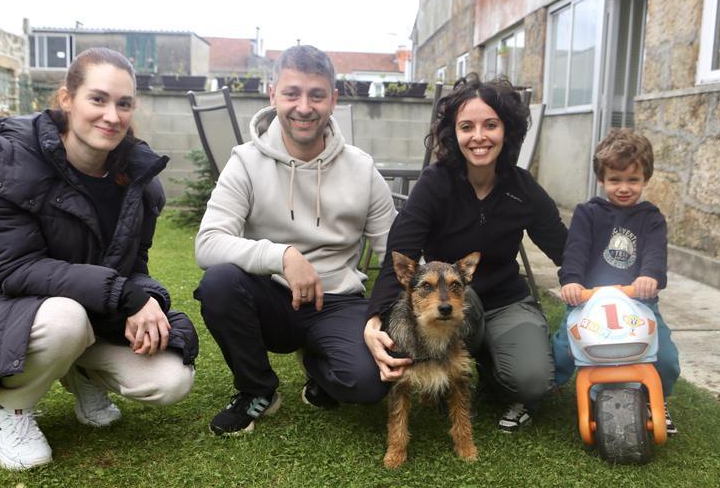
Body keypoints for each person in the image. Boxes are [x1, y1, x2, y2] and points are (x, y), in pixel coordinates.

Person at [0, 48, 198, 471]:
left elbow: (133, 266)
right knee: (66, 318)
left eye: (124, 104)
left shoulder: (139, 182)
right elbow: (16, 270)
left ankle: (79, 373)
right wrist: (124, 295)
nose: (112, 115)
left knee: (171, 379)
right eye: (98, 99)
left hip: (95, 313)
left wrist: (145, 297)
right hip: (9, 312)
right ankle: (10, 410)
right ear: (67, 100)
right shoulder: (8, 164)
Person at [193, 45, 396, 436]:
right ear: (273, 95)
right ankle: (257, 390)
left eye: (316, 95)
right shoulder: (245, 162)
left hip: (337, 301)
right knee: (218, 283)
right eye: (292, 93)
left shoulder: (362, 169)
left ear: (333, 100)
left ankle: (320, 366)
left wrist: (378, 316)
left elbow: (394, 254)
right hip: (269, 298)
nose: (304, 107)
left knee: (369, 384)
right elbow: (208, 243)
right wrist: (281, 255)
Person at [365, 73, 568, 433]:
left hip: (507, 301)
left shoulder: (522, 188)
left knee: (533, 381)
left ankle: (492, 365)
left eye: (490, 124)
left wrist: (600, 282)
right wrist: (375, 318)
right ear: (452, 134)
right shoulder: (434, 184)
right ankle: (470, 362)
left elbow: (563, 249)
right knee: (466, 298)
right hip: (452, 301)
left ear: (507, 130)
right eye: (466, 126)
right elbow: (400, 253)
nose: (478, 136)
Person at [551, 127, 681, 434]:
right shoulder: (588, 213)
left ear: (645, 179)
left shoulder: (651, 218)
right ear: (601, 179)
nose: (624, 188)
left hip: (637, 303)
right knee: (562, 349)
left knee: (664, 357)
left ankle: (656, 398)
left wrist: (649, 277)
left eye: (632, 180)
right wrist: (571, 282)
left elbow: (654, 254)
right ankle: (539, 395)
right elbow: (576, 251)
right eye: (615, 180)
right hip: (588, 302)